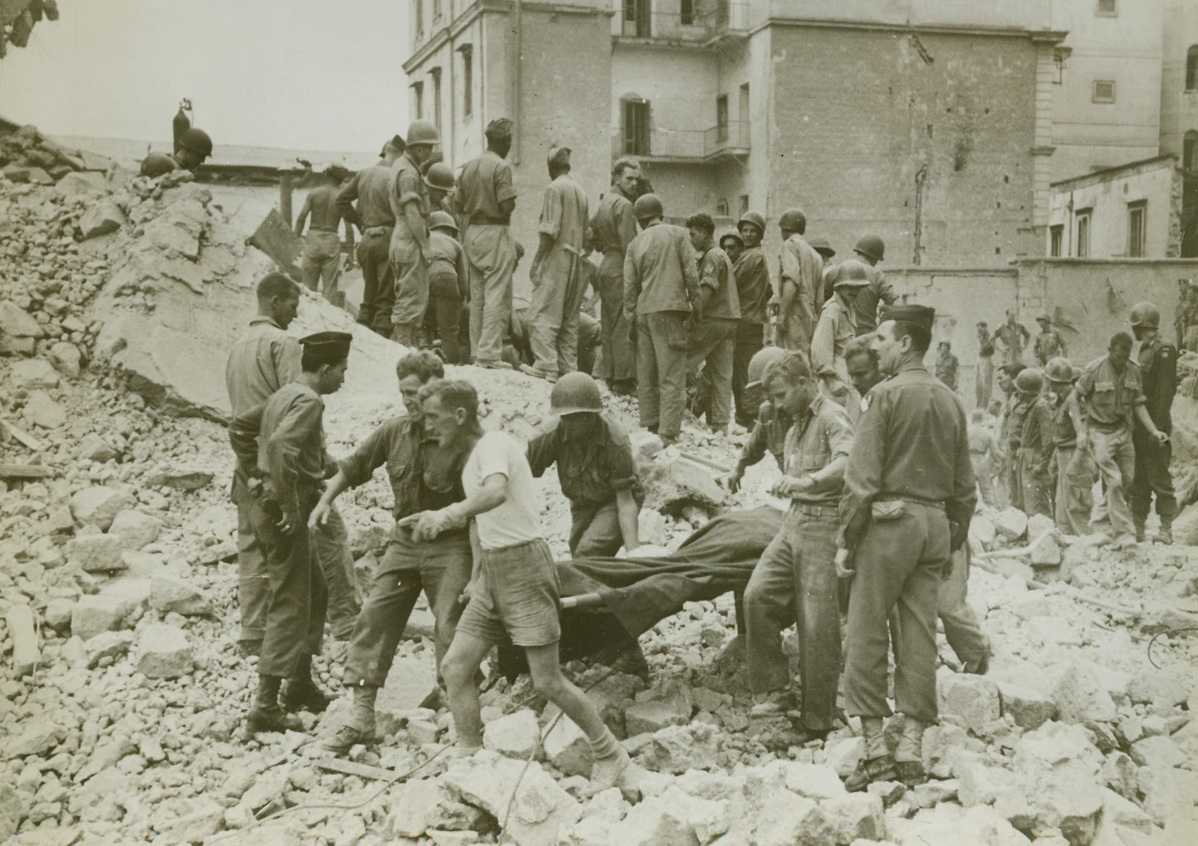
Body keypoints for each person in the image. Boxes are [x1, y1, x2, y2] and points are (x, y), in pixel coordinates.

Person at [410, 380, 632, 787]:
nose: (429, 427)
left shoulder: (493, 445)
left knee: (547, 680)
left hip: (525, 568)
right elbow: (482, 523)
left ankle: (610, 753)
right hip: (494, 574)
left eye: (434, 418)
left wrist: (447, 514)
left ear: (460, 416)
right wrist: (478, 576)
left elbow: (494, 494)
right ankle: (469, 752)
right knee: (456, 667)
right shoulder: (472, 456)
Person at [836, 304, 975, 791]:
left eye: (882, 339)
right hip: (934, 525)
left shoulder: (883, 395)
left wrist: (845, 540)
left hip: (889, 523)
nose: (875, 347)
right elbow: (965, 487)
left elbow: (861, 480)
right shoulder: (950, 399)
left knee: (867, 628)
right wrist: (949, 533)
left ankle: (875, 749)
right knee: (920, 630)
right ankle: (912, 744)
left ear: (906, 344)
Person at [314, 353, 472, 753]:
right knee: (374, 615)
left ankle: (460, 715)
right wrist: (324, 501)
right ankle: (361, 717)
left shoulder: (461, 437)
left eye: (415, 393)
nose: (409, 401)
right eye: (403, 393)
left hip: (451, 543)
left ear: (437, 386)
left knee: (450, 620)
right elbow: (354, 466)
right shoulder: (394, 432)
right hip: (404, 542)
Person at [225, 274, 358, 654]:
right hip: (290, 474)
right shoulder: (282, 343)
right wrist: (320, 461)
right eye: (292, 305)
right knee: (329, 538)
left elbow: (241, 420)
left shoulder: (238, 347)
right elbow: (295, 402)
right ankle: (346, 623)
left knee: (253, 548)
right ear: (275, 301)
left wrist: (251, 468)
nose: (295, 314)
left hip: (249, 469)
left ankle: (253, 633)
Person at [228, 332, 353, 738]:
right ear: (325, 369)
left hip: (273, 503)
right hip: (286, 513)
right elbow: (282, 445)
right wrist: (287, 502)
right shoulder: (310, 401)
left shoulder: (285, 394)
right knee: (290, 598)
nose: (343, 379)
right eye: (341, 371)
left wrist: (255, 476)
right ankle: (264, 706)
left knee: (315, 588)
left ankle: (298, 685)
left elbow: (240, 428)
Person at [848, 340, 991, 675]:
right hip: (904, 523)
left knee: (948, 603)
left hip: (934, 518)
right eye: (851, 375)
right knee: (907, 607)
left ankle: (978, 660)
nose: (856, 381)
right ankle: (913, 673)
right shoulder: (874, 402)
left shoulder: (897, 398)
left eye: (863, 372)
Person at [743, 352, 853, 743]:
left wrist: (809, 483)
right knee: (758, 595)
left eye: (780, 395)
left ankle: (817, 720)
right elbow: (765, 452)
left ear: (805, 383)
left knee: (817, 621)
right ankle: (774, 691)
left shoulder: (830, 416)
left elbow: (848, 460)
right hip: (793, 522)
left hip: (824, 525)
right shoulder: (792, 425)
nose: (776, 404)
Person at [527, 373, 641, 556]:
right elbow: (520, 470)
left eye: (576, 417)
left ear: (591, 415)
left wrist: (634, 552)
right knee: (578, 553)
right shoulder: (551, 436)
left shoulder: (615, 442)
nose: (568, 424)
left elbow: (626, 502)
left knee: (588, 551)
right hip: (583, 501)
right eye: (564, 417)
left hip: (614, 500)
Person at [1075, 332, 1169, 549]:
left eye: (1125, 357)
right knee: (1114, 481)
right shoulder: (1095, 369)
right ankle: (1124, 534)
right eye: (1117, 356)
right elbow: (1074, 397)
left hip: (1123, 431)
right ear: (1110, 351)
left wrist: (1154, 431)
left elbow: (1138, 404)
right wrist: (1081, 430)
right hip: (1099, 432)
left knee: (1127, 482)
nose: (1121, 361)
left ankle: (1099, 522)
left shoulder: (1133, 369)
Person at [624, 194, 699, 446]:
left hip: (643, 313)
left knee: (647, 374)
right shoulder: (677, 235)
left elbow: (629, 286)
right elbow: (691, 273)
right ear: (661, 215)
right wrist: (696, 306)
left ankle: (650, 426)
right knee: (671, 375)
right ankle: (667, 433)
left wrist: (631, 318)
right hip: (670, 310)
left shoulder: (634, 244)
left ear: (640, 220)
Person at [523, 145, 589, 381]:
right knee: (569, 319)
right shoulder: (581, 191)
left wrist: (537, 262)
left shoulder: (554, 188)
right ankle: (568, 370)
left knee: (541, 313)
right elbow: (587, 233)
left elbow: (549, 230)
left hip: (558, 255)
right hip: (577, 257)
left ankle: (546, 364)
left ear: (552, 167)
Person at [457, 119, 519, 369]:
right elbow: (507, 205)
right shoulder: (501, 167)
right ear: (505, 141)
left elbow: (459, 205)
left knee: (479, 296)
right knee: (496, 294)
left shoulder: (469, 166)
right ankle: (489, 354)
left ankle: (476, 350)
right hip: (495, 229)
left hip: (472, 231)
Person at [337, 136, 404, 338]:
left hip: (366, 240)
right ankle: (380, 344)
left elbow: (340, 201)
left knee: (369, 295)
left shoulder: (363, 174)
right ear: (399, 155)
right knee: (385, 298)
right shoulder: (395, 175)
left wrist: (360, 223)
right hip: (387, 240)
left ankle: (363, 338)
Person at [684, 213, 740, 433]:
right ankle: (719, 424)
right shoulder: (722, 255)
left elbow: (706, 290)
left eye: (694, 234)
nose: (691, 238)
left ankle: (674, 411)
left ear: (706, 233)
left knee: (680, 358)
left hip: (714, 319)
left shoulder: (712, 256)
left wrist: (692, 317)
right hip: (729, 320)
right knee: (721, 373)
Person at [590, 157, 641, 395]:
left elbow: (591, 236)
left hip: (605, 265)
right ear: (617, 177)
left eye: (636, 179)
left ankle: (609, 375)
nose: (634, 184)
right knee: (623, 322)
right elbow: (630, 246)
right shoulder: (624, 205)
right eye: (629, 178)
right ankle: (623, 379)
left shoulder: (604, 203)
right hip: (620, 265)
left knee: (609, 323)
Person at [1129, 302, 1178, 544]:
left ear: (1143, 326)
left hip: (1155, 425)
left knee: (1159, 477)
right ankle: (1138, 527)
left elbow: (1165, 393)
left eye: (1135, 326)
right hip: (1141, 425)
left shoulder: (1164, 349)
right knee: (1139, 478)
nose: (1133, 331)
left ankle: (1166, 529)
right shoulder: (1144, 350)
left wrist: (1156, 429)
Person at [390, 120, 438, 347]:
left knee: (410, 296)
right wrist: (426, 246)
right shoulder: (408, 173)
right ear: (416, 147)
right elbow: (411, 211)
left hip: (404, 237)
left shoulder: (402, 166)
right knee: (410, 299)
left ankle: (404, 347)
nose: (429, 152)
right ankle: (401, 349)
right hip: (410, 239)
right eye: (426, 147)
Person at [726, 346, 790, 492]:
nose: (764, 397)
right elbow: (754, 447)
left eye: (769, 388)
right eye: (761, 390)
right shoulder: (768, 412)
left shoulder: (819, 414)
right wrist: (738, 469)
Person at [1045, 357, 1094, 535]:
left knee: (1076, 503)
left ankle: (1084, 543)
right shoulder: (1062, 399)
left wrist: (1074, 463)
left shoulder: (1073, 399)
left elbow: (1082, 435)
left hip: (1074, 454)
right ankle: (1067, 539)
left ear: (1053, 381)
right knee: (1062, 503)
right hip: (1063, 453)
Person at [811, 260, 870, 407]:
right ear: (839, 286)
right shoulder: (833, 310)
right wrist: (831, 381)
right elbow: (820, 348)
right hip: (835, 376)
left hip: (846, 373)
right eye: (849, 286)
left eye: (858, 287)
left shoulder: (848, 309)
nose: (854, 291)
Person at [733, 212, 772, 428]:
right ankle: (747, 417)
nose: (747, 234)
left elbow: (730, 279)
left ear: (760, 234)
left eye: (752, 231)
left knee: (743, 373)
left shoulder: (751, 257)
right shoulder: (756, 256)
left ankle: (749, 418)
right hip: (753, 321)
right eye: (744, 230)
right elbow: (769, 290)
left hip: (745, 321)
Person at [295, 165, 354, 308]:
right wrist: (351, 255)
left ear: (327, 176)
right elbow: (349, 229)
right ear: (341, 179)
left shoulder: (314, 193)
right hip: (331, 240)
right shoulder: (343, 197)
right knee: (330, 290)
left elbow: (301, 218)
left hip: (313, 238)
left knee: (308, 289)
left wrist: (295, 241)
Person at [424, 211, 470, 364]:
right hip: (446, 276)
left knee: (424, 327)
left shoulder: (423, 238)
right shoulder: (455, 244)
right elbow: (463, 282)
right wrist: (460, 301)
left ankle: (423, 361)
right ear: (450, 230)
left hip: (422, 278)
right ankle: (452, 364)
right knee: (449, 330)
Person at [777, 209, 823, 352]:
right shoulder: (816, 255)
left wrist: (782, 314)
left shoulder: (789, 245)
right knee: (804, 360)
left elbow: (791, 280)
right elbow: (820, 299)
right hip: (810, 315)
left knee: (789, 359)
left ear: (785, 230)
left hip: (794, 311)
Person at [1014, 369, 1054, 518]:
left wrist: (1042, 466)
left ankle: (1043, 536)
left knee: (1037, 506)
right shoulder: (1033, 406)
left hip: (1034, 459)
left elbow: (1049, 440)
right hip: (1027, 457)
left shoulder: (1041, 407)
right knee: (1026, 503)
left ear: (1024, 391)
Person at [848, 235, 897, 337]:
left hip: (841, 332)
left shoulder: (839, 269)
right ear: (875, 258)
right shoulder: (877, 275)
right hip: (866, 334)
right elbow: (895, 301)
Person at [998, 363, 1028, 510]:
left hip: (1022, 448)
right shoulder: (1013, 398)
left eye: (1003, 378)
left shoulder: (1027, 399)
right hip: (1011, 446)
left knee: (1022, 486)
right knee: (1012, 484)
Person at [140, 127, 213, 178]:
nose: (202, 161)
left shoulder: (176, 168)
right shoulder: (172, 168)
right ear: (188, 150)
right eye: (200, 156)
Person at [967, 409, 999, 507]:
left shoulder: (966, 431)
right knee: (986, 489)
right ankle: (991, 509)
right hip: (981, 460)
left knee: (967, 489)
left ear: (972, 419)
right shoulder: (986, 433)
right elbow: (995, 452)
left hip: (968, 460)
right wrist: (997, 462)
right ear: (981, 420)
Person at [976, 321, 995, 410]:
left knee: (986, 382)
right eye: (978, 327)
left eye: (981, 327)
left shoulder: (989, 338)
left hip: (987, 359)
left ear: (985, 327)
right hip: (980, 359)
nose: (979, 329)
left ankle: (985, 405)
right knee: (979, 383)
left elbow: (987, 347)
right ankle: (979, 403)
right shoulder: (979, 336)